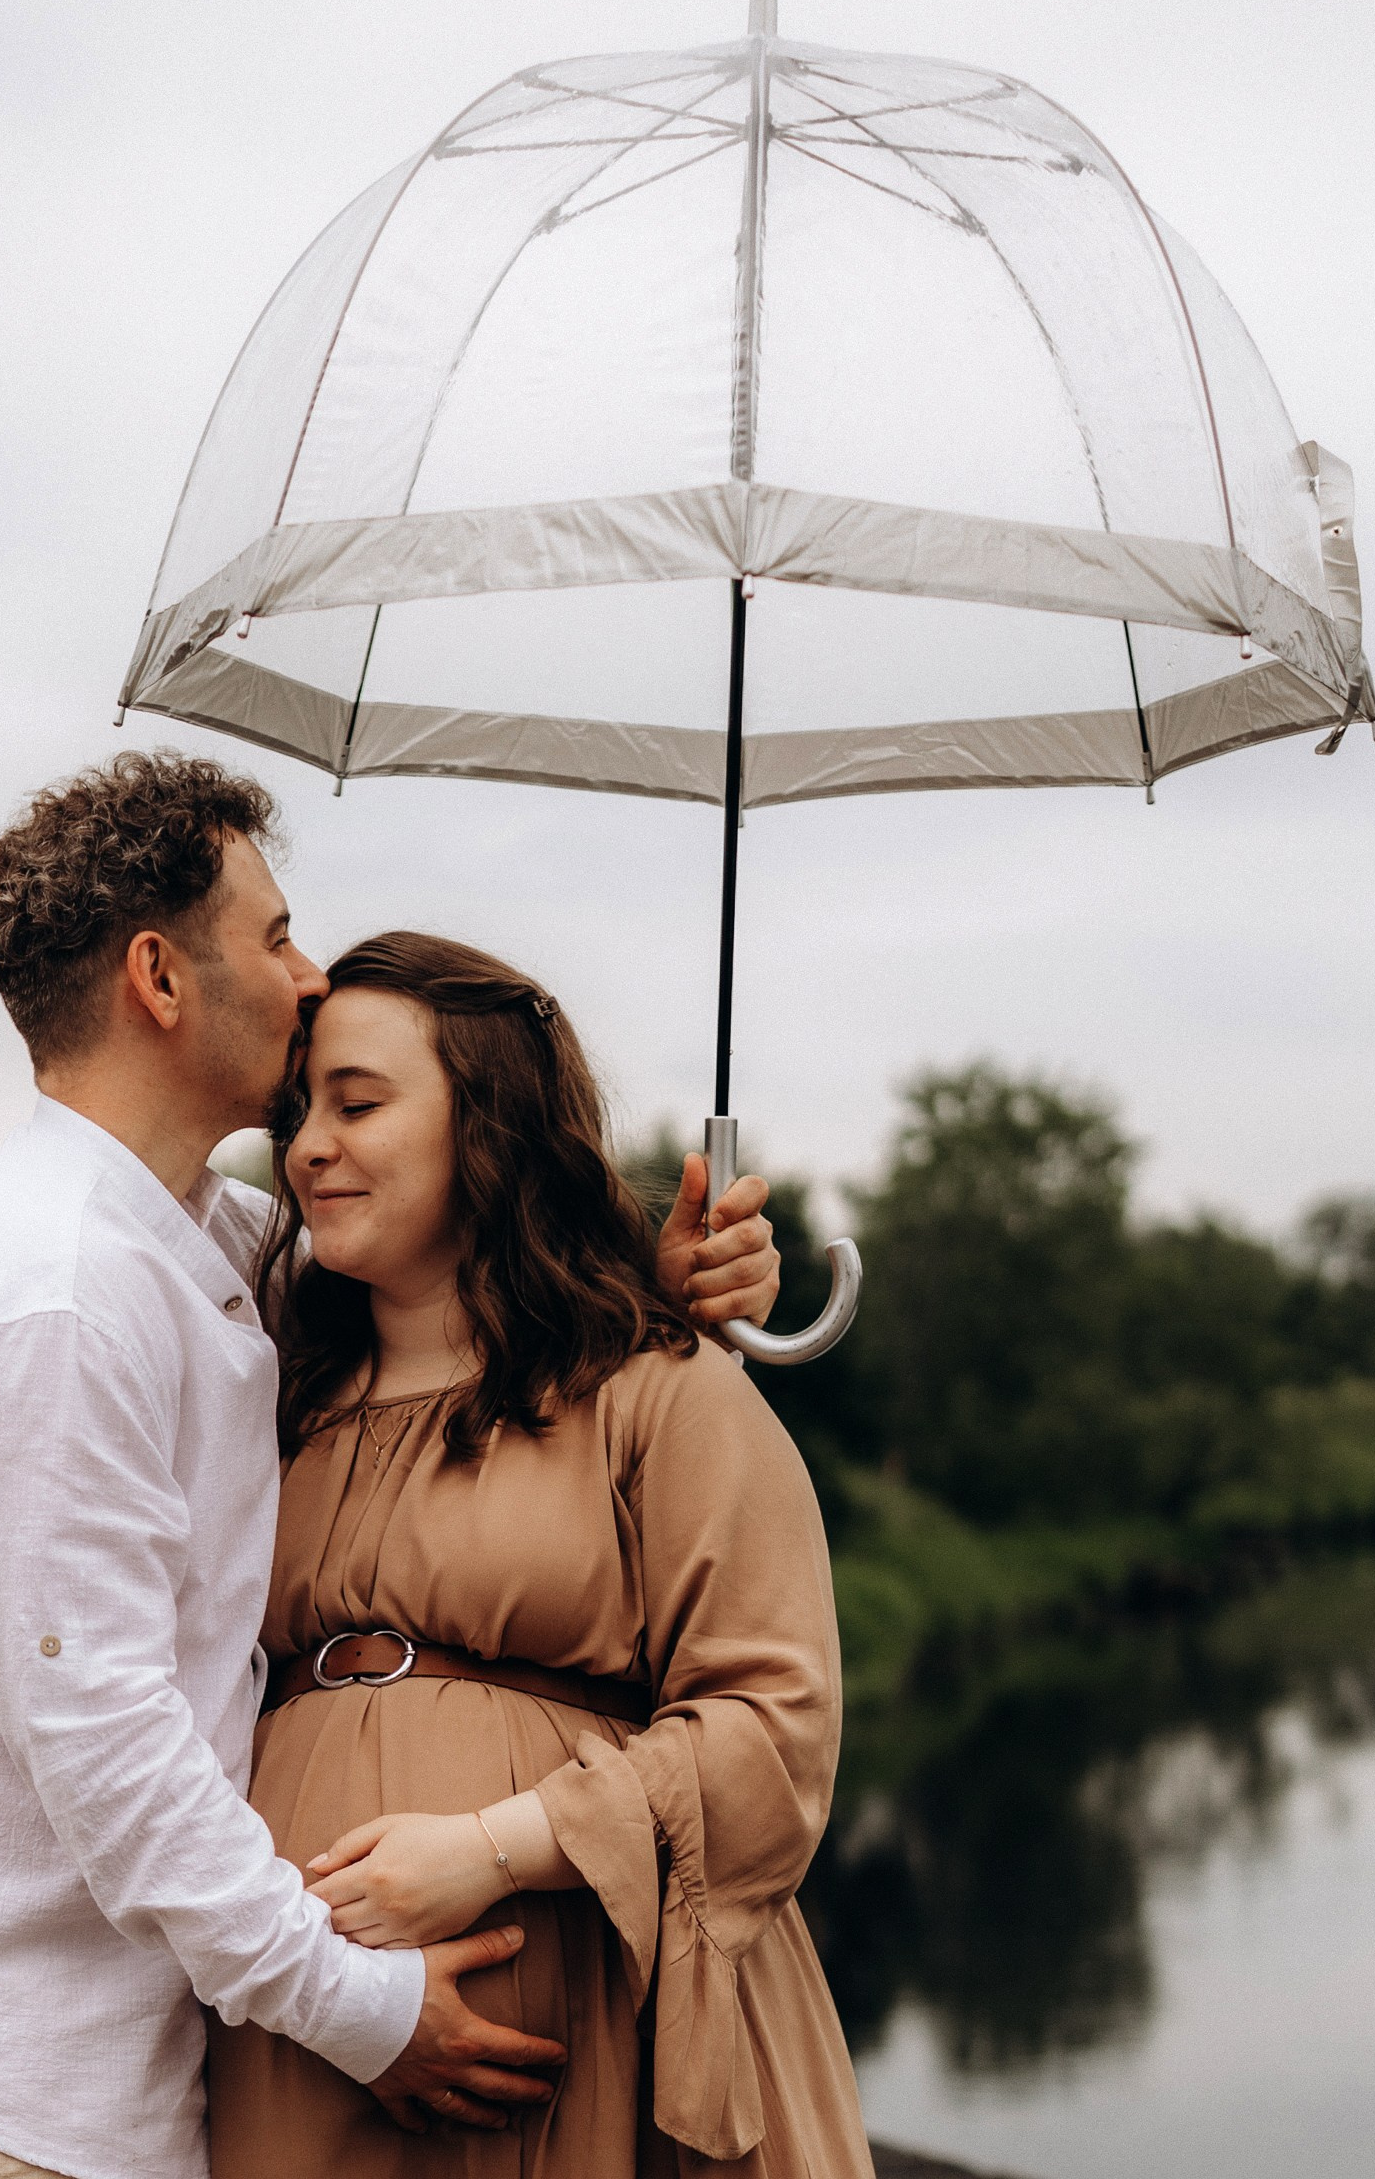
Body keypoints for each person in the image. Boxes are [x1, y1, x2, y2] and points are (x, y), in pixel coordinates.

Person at [0, 753, 783, 2179]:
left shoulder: (191, 1245)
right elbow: (106, 1744)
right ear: (159, 979)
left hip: (112, 2085)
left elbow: (430, 1239)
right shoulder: (51, 1293)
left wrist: (640, 1269)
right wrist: (365, 2011)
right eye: (274, 933)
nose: (305, 979)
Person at [206, 933, 874, 2178]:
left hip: (567, 2029)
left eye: (357, 1103)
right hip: (300, 2030)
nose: (305, 1148)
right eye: (299, 1110)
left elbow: (776, 1735)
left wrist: (488, 1852)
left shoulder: (658, 1391)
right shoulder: (260, 1385)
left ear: (492, 1129)